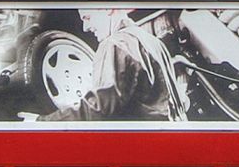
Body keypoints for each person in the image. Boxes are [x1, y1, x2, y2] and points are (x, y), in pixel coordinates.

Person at [47, 9, 189, 121]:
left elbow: (101, 109)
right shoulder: (155, 44)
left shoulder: (115, 44)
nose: (85, 28)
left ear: (108, 9)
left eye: (87, 17)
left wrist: (43, 121)